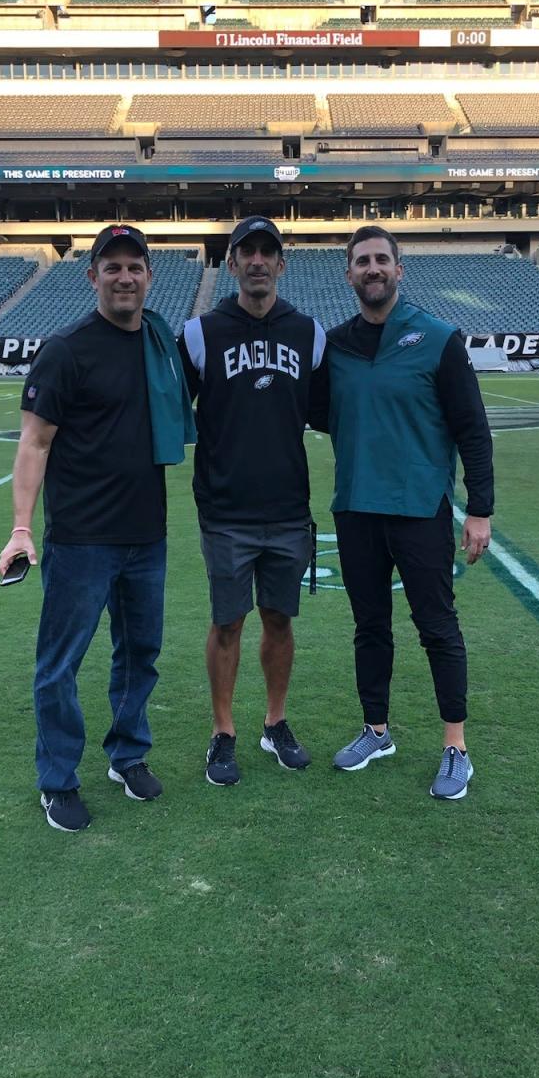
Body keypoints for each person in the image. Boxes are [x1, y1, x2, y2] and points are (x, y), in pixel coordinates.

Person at [0, 225, 195, 832]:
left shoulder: (160, 344)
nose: (125, 277)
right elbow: (34, 443)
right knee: (60, 664)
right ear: (93, 278)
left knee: (140, 653)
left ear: (149, 277)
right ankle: (57, 780)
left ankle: (127, 754)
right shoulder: (67, 349)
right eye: (112, 268)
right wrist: (22, 528)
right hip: (80, 538)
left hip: (146, 534)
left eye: (135, 266)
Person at [312, 225, 494, 801]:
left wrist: (480, 510)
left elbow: (472, 429)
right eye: (362, 261)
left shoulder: (439, 338)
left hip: (419, 508)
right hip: (356, 508)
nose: (372, 269)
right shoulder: (334, 347)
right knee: (370, 628)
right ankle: (377, 730)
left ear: (399, 269)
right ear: (348, 274)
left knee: (437, 628)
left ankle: (456, 747)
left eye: (381, 260)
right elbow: (314, 412)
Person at [178, 217, 326, 787]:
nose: (258, 261)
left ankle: (275, 720)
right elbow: (169, 411)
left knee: (280, 620)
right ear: (232, 264)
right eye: (248, 252)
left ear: (282, 264)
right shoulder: (199, 334)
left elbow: (331, 411)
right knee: (227, 623)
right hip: (225, 509)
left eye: (268, 252)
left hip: (289, 508)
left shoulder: (309, 334)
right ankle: (223, 730)